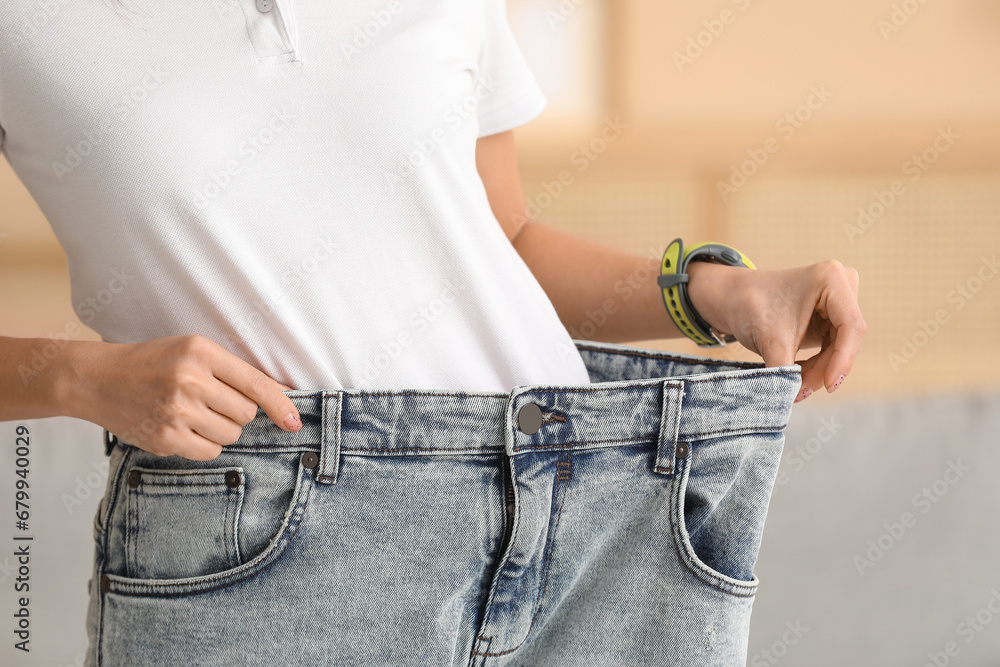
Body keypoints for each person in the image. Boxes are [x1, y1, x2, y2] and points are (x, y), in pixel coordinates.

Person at [0, 1, 865, 665]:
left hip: (590, 498)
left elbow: (506, 239)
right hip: (266, 544)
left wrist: (715, 291)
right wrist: (82, 378)